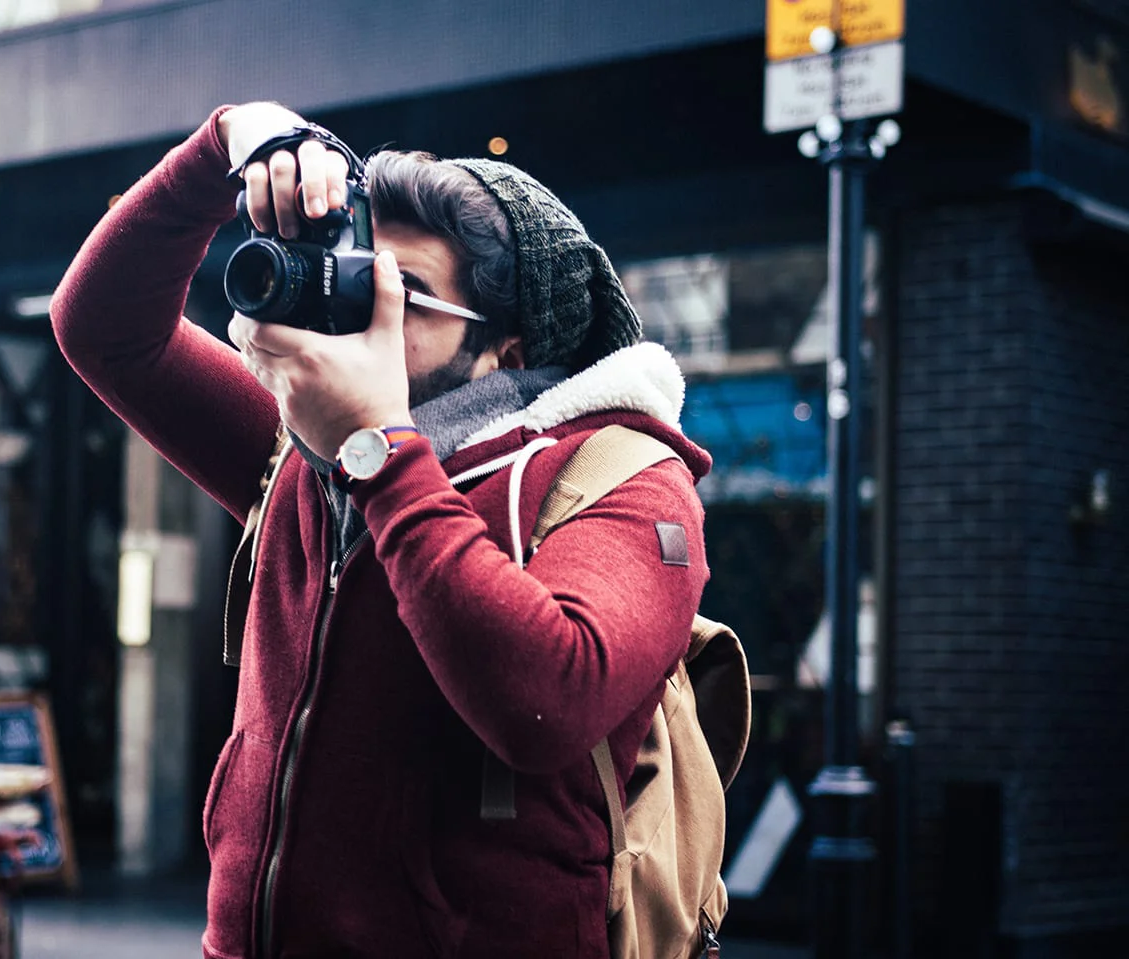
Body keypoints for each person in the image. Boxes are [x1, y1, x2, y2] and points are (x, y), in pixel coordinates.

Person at [51, 101, 713, 959]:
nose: (371, 316)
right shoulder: (302, 449)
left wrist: (381, 452)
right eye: (364, 277)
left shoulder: (621, 475)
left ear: (509, 348)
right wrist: (229, 140)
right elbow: (102, 329)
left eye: (413, 298)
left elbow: (545, 701)